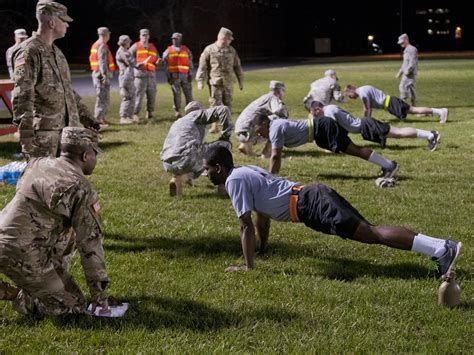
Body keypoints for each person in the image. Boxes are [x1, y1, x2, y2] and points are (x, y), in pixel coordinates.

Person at [203, 145, 462, 276]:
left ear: (218, 168)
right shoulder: (244, 171)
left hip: (310, 204)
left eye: (206, 168)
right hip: (312, 196)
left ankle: (440, 249)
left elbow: (245, 225)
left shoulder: (233, 181)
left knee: (371, 233)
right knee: (370, 231)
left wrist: (249, 267)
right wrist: (263, 248)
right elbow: (262, 215)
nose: (205, 174)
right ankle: (440, 247)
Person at [0, 127, 109, 316]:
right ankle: (19, 294)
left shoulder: (37, 164)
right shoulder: (81, 188)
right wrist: (100, 297)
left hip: (6, 235)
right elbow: (90, 246)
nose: (95, 160)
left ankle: (39, 283)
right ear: (85, 155)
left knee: (67, 231)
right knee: (72, 308)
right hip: (20, 251)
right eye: (94, 154)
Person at [11, 1, 100, 159]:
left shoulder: (57, 53)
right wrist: (26, 136)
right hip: (44, 136)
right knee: (43, 181)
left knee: (65, 180)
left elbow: (67, 90)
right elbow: (23, 96)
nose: (67, 25)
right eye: (64, 21)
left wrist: (88, 119)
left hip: (67, 134)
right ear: (52, 22)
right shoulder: (29, 51)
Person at [254, 99, 400, 182]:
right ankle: (387, 164)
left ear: (264, 124)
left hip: (323, 128)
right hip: (320, 132)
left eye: (258, 131)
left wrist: (271, 178)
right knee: (354, 150)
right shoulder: (274, 126)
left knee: (354, 150)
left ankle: (389, 165)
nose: (259, 135)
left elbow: (275, 156)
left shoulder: (274, 129)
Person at [160, 101, 233, 197]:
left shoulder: (178, 122)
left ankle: (177, 179)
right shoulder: (196, 114)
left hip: (168, 162)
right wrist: (226, 135)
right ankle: (223, 185)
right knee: (224, 145)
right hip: (187, 155)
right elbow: (223, 110)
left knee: (192, 156)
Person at [319, 103, 441, 151]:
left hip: (367, 125)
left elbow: (333, 127)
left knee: (398, 133)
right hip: (365, 125)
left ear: (317, 109)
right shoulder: (331, 107)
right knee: (398, 133)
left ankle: (431, 135)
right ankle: (430, 135)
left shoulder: (329, 110)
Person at [195, 27, 244, 133]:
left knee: (228, 104)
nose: (230, 41)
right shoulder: (209, 49)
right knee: (214, 104)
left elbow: (237, 66)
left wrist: (241, 81)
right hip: (215, 82)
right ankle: (214, 125)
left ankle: (227, 125)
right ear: (222, 38)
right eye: (229, 39)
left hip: (229, 82)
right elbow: (202, 66)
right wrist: (200, 81)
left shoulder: (231, 50)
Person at [235, 80, 289, 158]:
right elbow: (279, 111)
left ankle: (245, 145)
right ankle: (267, 152)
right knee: (280, 121)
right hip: (248, 129)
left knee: (266, 119)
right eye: (283, 91)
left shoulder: (265, 97)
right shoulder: (273, 98)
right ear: (279, 91)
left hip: (240, 129)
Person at [344, 84, 448, 123]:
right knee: (413, 110)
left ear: (351, 91)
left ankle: (440, 111)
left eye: (349, 96)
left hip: (390, 103)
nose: (351, 98)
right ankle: (439, 111)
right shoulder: (364, 88)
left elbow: (367, 109)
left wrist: (365, 121)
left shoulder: (362, 94)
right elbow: (367, 106)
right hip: (391, 102)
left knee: (413, 110)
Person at [130, 29, 161, 122]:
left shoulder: (152, 47)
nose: (145, 37)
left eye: (146, 35)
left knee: (152, 95)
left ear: (149, 36)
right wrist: (136, 64)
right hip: (140, 76)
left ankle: (150, 113)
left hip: (151, 75)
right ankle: (135, 114)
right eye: (143, 35)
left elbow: (156, 57)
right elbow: (128, 58)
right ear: (140, 36)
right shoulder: (135, 46)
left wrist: (158, 61)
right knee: (139, 95)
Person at [89, 27, 116, 127]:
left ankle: (102, 118)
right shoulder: (102, 46)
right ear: (106, 35)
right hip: (100, 74)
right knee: (102, 97)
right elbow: (102, 62)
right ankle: (98, 119)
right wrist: (104, 76)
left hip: (97, 73)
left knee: (103, 96)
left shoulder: (95, 45)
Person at [162, 32, 193, 118]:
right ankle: (177, 111)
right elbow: (166, 65)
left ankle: (190, 110)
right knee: (176, 94)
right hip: (174, 76)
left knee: (188, 94)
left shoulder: (186, 50)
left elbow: (190, 62)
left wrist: (190, 73)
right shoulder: (168, 51)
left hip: (185, 76)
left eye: (176, 39)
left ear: (180, 39)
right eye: (173, 39)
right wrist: (168, 77)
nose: (174, 40)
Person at [115, 35, 135, 125]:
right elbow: (130, 61)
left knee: (131, 96)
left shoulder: (125, 51)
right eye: (128, 42)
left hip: (128, 76)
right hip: (125, 78)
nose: (129, 43)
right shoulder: (122, 52)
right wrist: (139, 63)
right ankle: (123, 117)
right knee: (127, 97)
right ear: (125, 42)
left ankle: (129, 116)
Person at [396, 33, 418, 106]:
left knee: (402, 87)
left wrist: (406, 72)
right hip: (408, 73)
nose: (401, 44)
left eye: (402, 42)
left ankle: (403, 105)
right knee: (412, 90)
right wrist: (400, 72)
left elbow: (412, 62)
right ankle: (414, 106)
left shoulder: (411, 49)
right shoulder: (406, 50)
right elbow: (404, 63)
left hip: (409, 74)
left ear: (406, 40)